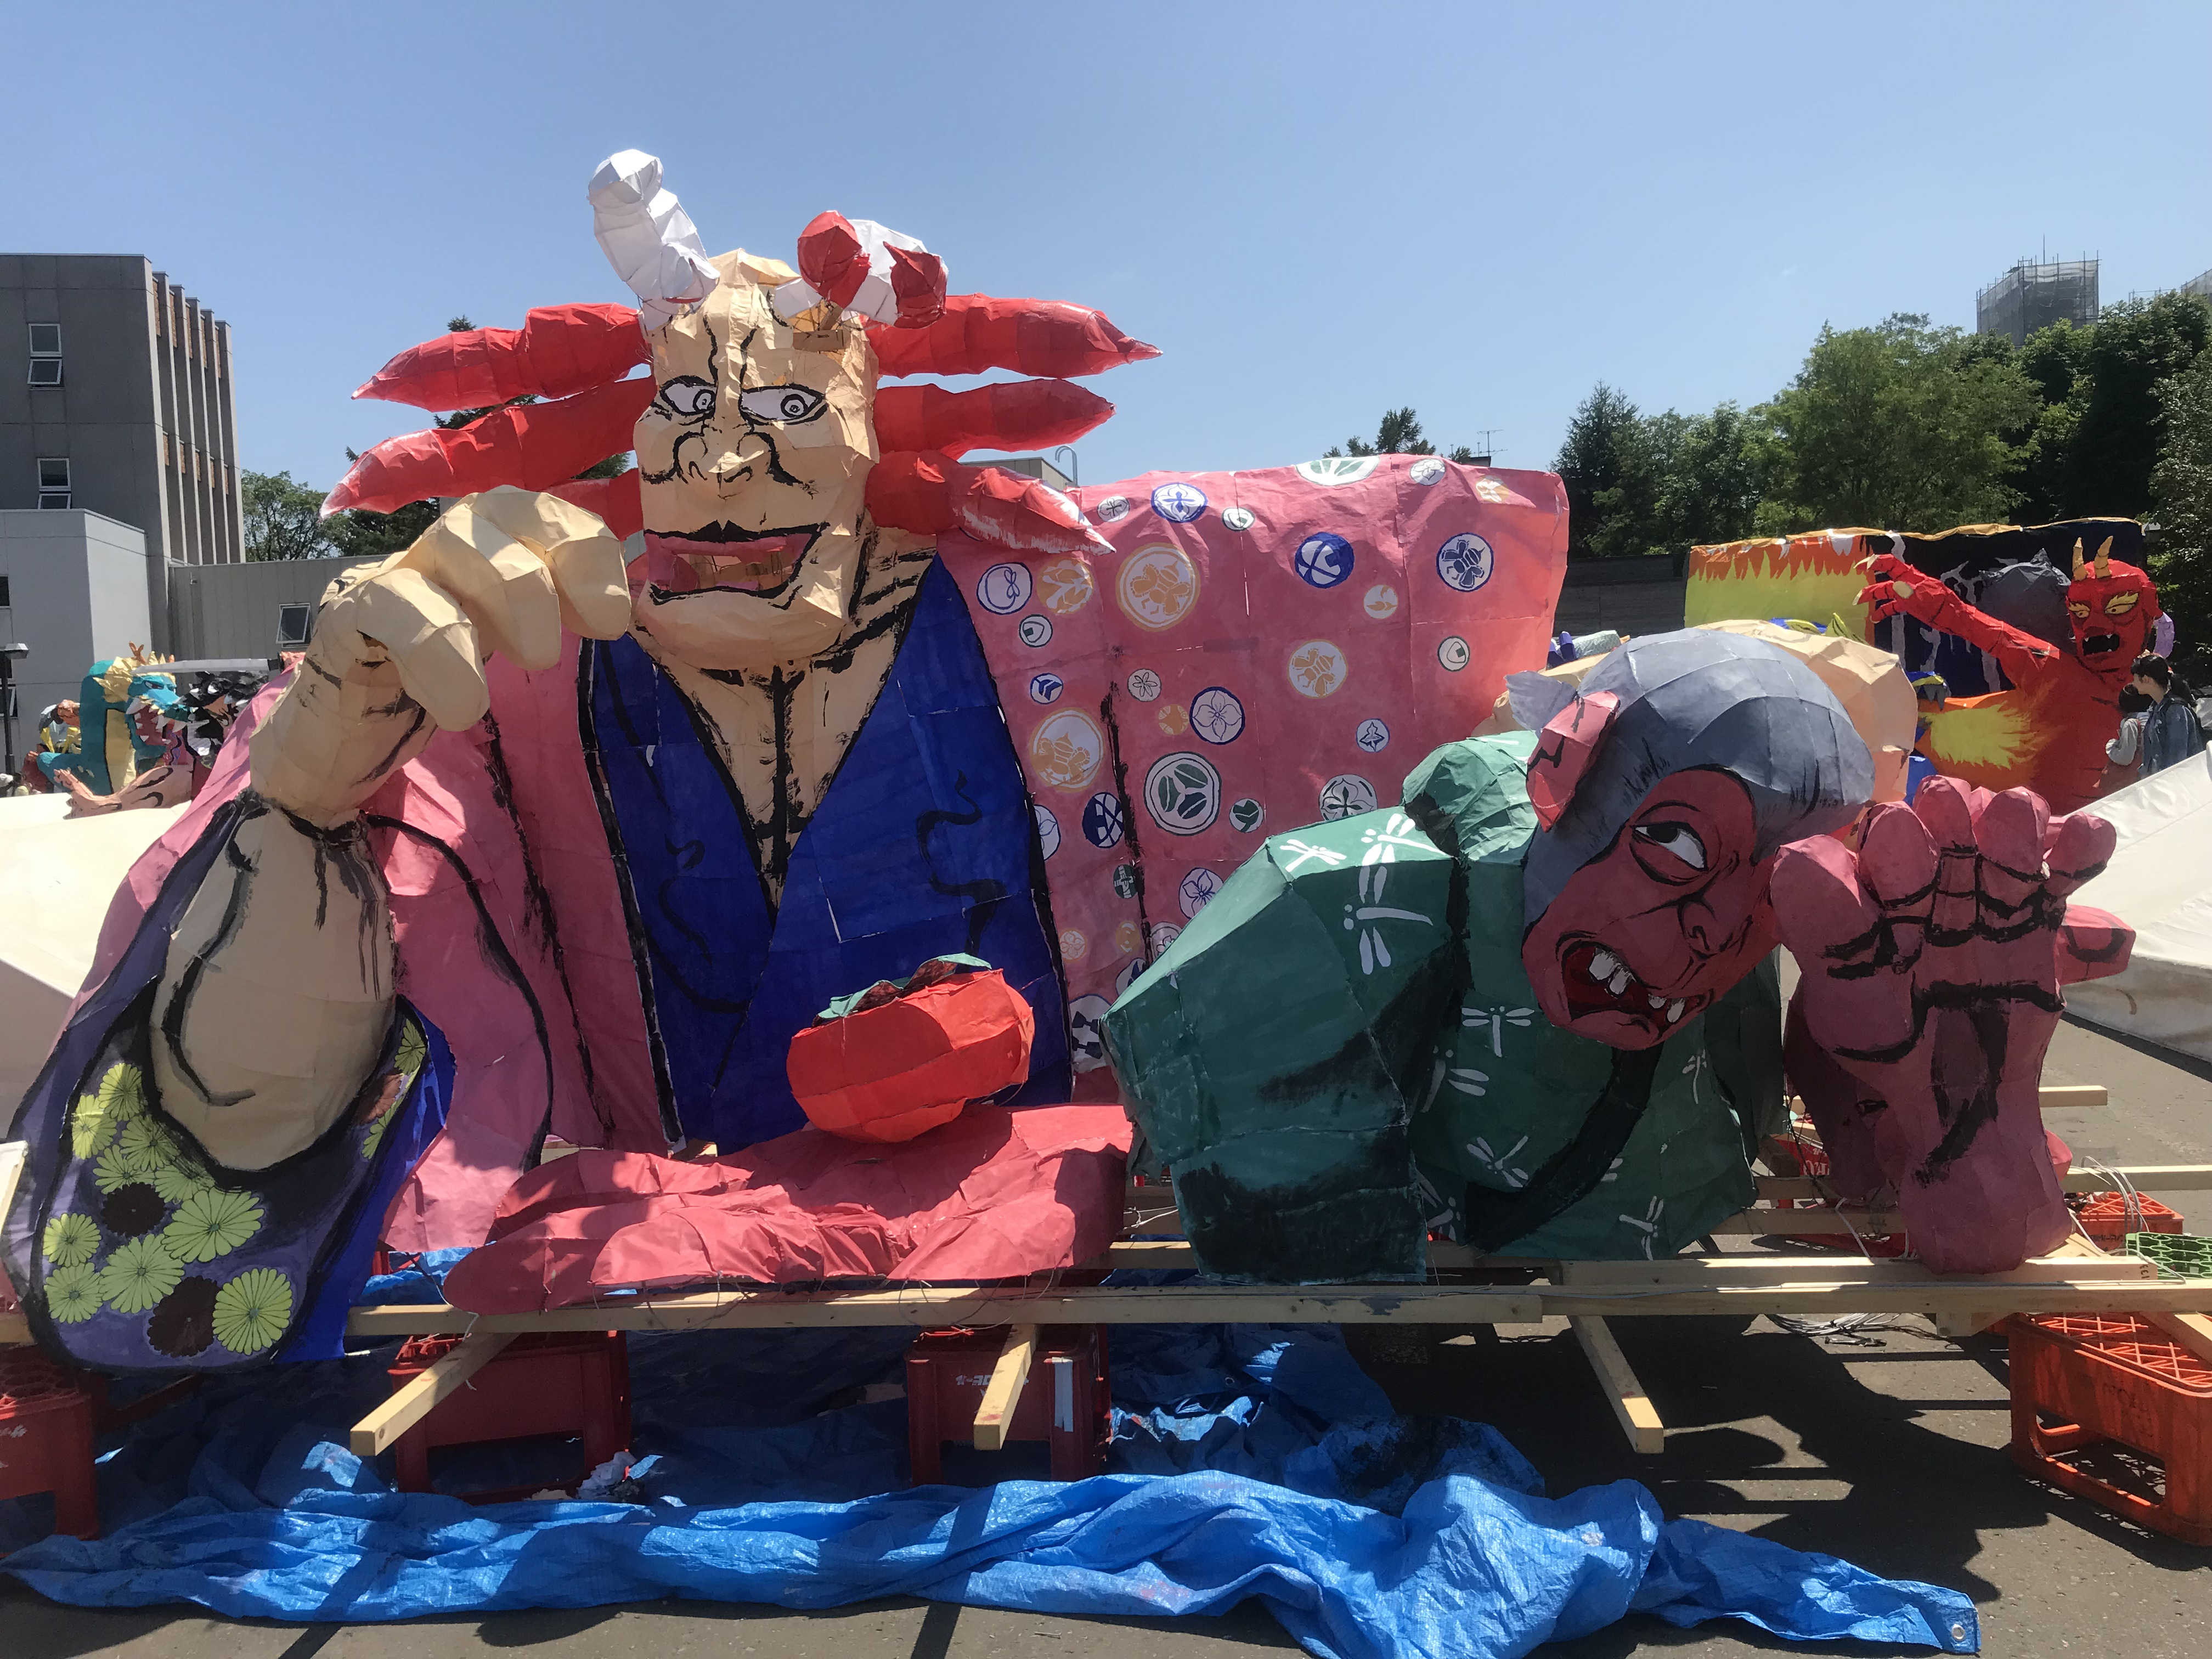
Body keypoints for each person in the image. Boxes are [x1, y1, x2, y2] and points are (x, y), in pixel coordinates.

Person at [2131, 652, 2205, 777]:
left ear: (2147, 679)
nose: (2133, 683)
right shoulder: (2156, 708)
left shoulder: (2176, 710)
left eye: (2135, 679)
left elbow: (2177, 758)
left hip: (2176, 783)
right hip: (2161, 782)